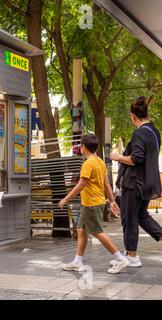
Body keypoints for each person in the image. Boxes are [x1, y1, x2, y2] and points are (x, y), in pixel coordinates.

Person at [59, 134, 129, 274]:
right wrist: (111, 200)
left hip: (91, 204)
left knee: (97, 232)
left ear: (83, 147)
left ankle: (120, 259)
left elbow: (80, 185)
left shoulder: (88, 164)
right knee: (81, 230)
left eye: (80, 145)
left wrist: (66, 199)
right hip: (92, 203)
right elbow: (106, 183)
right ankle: (77, 262)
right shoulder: (100, 162)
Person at [110, 96, 162, 267]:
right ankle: (130, 251)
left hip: (134, 183)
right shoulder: (155, 132)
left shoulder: (140, 132)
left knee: (129, 217)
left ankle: (132, 255)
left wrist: (118, 157)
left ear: (133, 116)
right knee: (141, 216)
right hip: (148, 182)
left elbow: (136, 158)